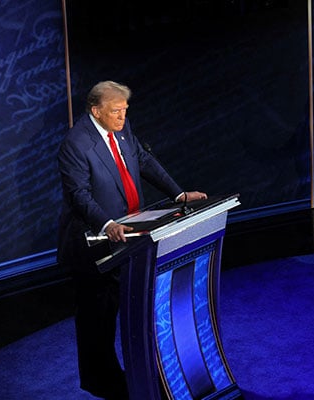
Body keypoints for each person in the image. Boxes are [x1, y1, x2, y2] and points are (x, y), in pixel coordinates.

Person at [57, 81, 207, 399]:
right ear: (95, 111)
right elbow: (78, 195)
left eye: (125, 111)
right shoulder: (76, 143)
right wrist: (107, 222)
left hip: (130, 239)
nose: (122, 117)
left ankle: (137, 378)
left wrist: (178, 193)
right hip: (94, 244)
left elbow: (144, 160)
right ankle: (103, 384)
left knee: (133, 307)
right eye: (116, 111)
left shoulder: (123, 128)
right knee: (98, 320)